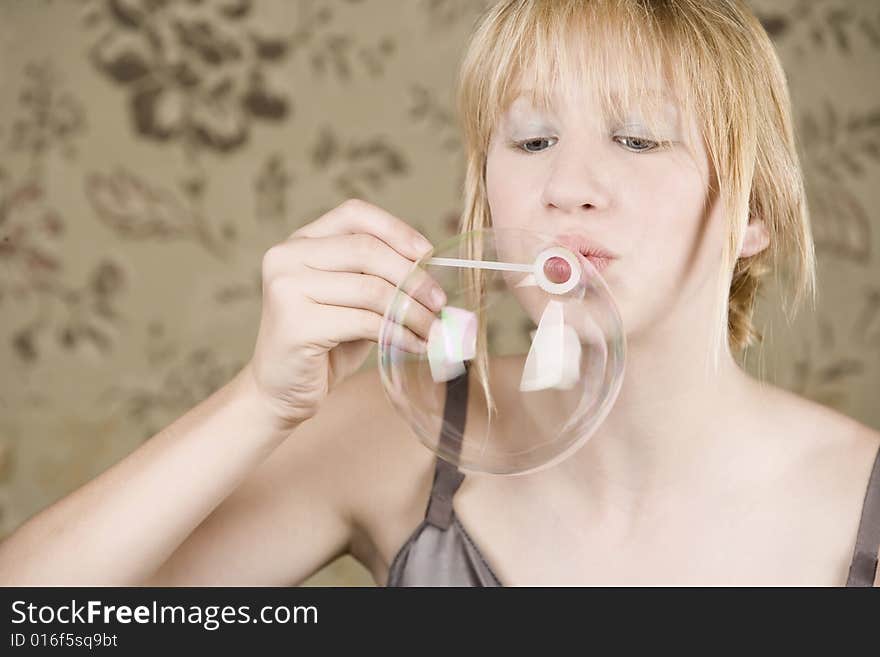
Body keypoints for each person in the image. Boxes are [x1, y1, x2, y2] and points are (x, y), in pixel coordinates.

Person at [1, 0, 878, 587]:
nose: (568, 185)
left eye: (638, 139)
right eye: (531, 141)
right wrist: (259, 403)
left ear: (755, 212)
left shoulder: (862, 495)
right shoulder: (394, 434)